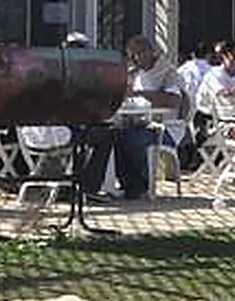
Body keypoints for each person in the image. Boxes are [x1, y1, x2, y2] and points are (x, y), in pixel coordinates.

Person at [76, 36, 186, 203]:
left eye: (138, 53)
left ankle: (140, 185)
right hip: (137, 122)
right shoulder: (134, 74)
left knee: (131, 138)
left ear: (152, 52)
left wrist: (139, 94)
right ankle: (126, 186)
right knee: (113, 134)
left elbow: (174, 101)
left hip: (165, 128)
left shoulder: (168, 73)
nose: (134, 58)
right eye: (131, 55)